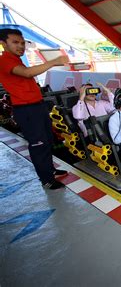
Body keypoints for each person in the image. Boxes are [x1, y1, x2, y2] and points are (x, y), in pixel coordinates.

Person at [0, 28, 68, 189]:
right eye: (15, 42)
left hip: (37, 106)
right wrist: (53, 62)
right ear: (3, 44)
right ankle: (46, 179)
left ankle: (50, 169)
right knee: (38, 145)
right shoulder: (5, 60)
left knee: (47, 141)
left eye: (22, 43)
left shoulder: (15, 59)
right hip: (26, 109)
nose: (21, 46)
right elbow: (27, 73)